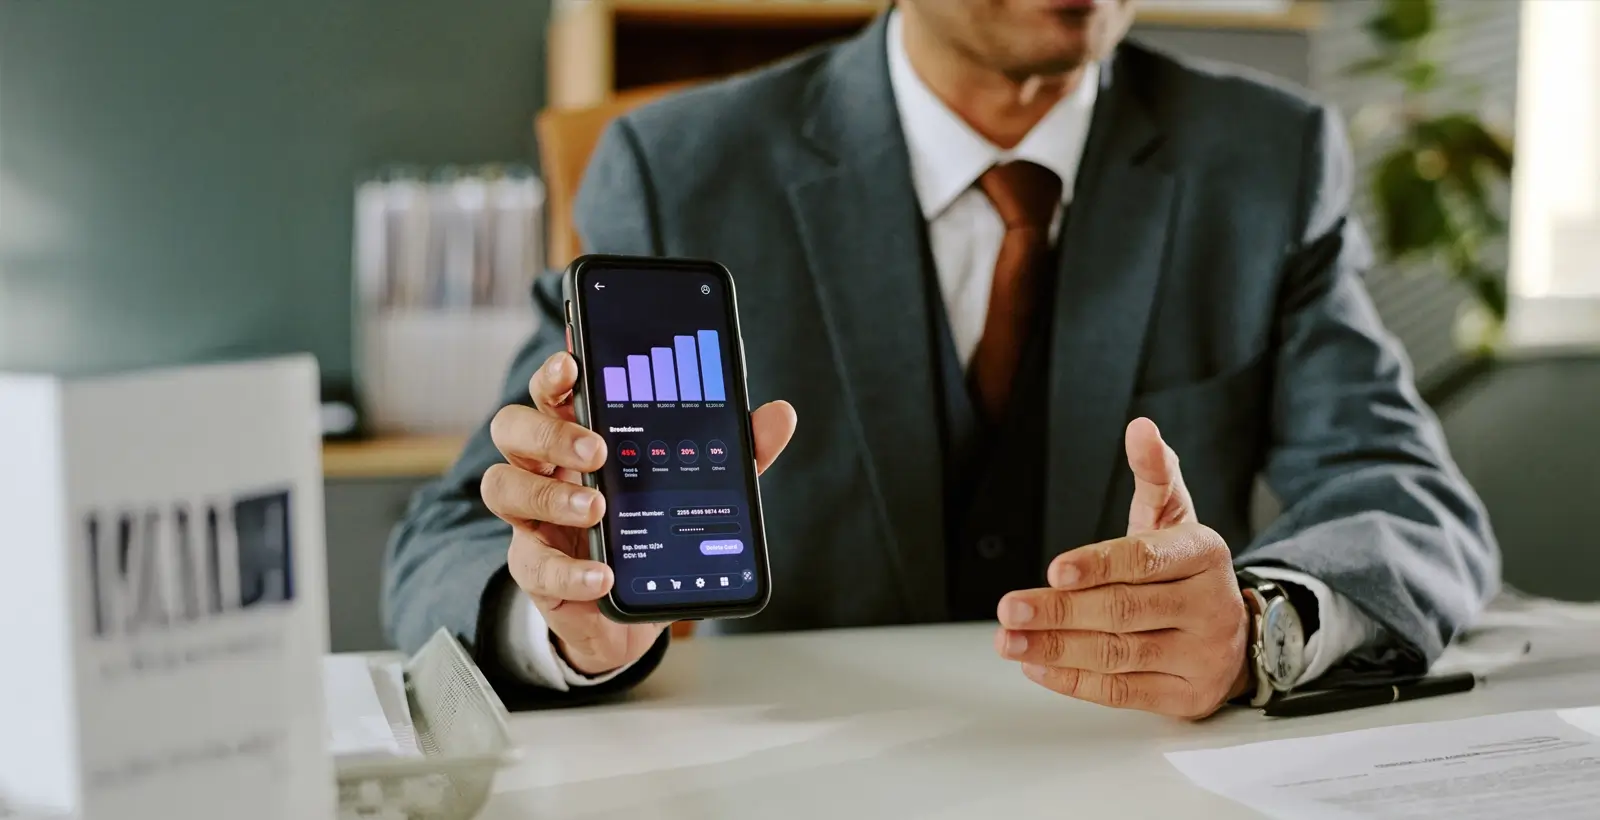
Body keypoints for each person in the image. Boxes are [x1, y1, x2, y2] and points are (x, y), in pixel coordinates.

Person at [383, 0, 1499, 718]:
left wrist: (1256, 628)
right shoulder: (680, 168)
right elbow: (446, 543)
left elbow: (1407, 500)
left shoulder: (1268, 161)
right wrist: (563, 614)